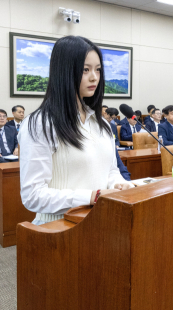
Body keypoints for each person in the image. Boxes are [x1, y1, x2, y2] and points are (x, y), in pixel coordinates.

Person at [18, 35, 133, 225]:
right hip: (59, 227)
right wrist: (91, 197)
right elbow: (32, 195)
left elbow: (111, 170)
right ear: (64, 71)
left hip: (101, 221)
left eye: (98, 70)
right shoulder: (39, 123)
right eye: (85, 69)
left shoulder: (101, 124)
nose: (94, 77)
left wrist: (118, 184)